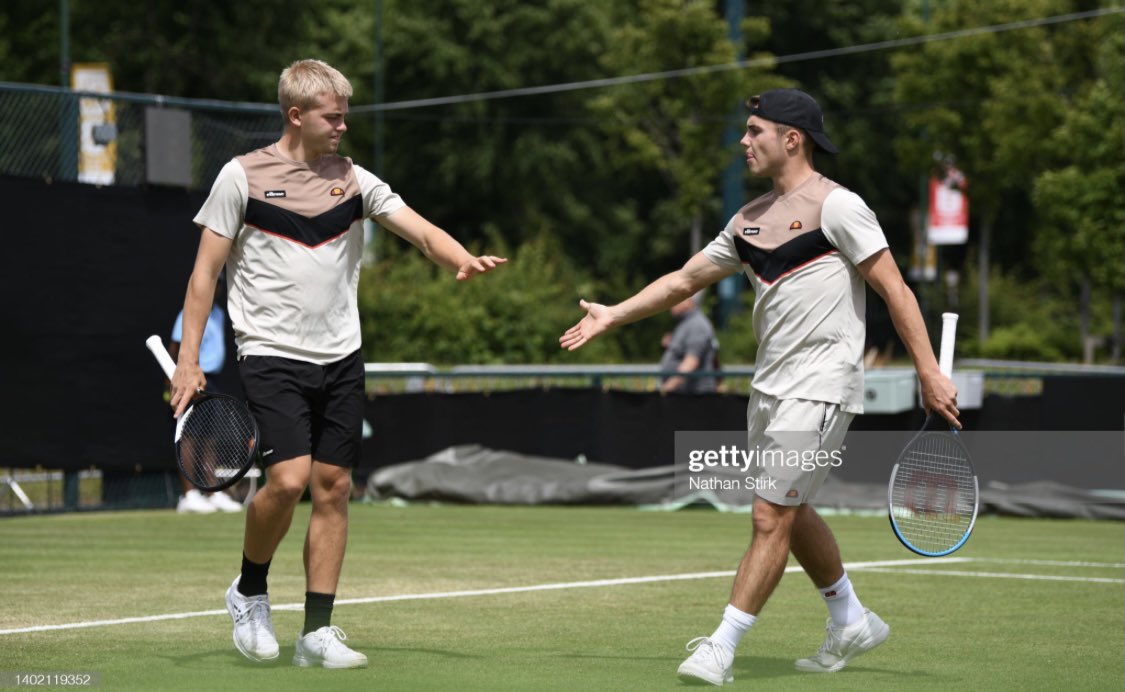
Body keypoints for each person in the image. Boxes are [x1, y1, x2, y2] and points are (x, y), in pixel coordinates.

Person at [560, 88, 959, 685]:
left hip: (823, 384)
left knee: (770, 514)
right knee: (790, 510)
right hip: (768, 388)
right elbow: (682, 280)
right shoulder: (746, 220)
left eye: (754, 131)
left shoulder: (839, 207)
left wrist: (927, 369)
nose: (743, 142)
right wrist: (615, 313)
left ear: (790, 139)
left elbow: (895, 290)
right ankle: (850, 618)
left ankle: (722, 645)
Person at [168, 59, 506, 669]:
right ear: (296, 115)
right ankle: (248, 592)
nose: (343, 126)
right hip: (270, 354)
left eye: (345, 115)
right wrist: (188, 361)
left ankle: (316, 632)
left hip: (342, 359)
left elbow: (421, 233)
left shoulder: (355, 180)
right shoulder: (240, 177)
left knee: (334, 488)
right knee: (289, 481)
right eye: (334, 115)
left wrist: (460, 257)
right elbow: (204, 274)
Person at [168, 292, 243, 514]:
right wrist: (173, 381)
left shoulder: (219, 313)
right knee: (188, 436)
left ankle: (212, 492)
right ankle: (189, 495)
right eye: (215, 281)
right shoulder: (188, 313)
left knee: (210, 437)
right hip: (191, 380)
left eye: (220, 283)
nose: (217, 287)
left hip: (213, 382)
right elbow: (174, 348)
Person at [659, 292, 719, 394]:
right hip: (685, 396)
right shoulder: (686, 323)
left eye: (677, 299)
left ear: (690, 302)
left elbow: (691, 362)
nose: (672, 302)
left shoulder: (697, 325)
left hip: (694, 397)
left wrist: (666, 388)